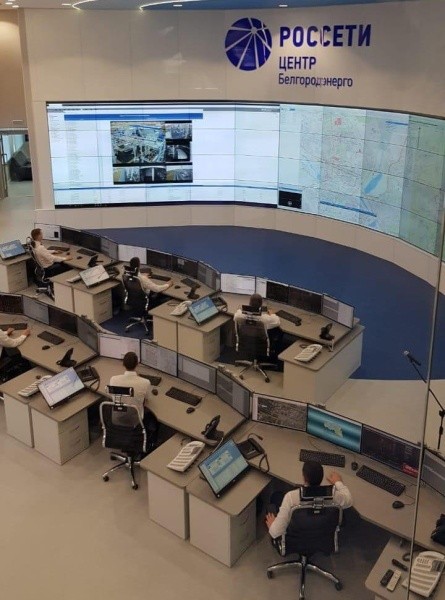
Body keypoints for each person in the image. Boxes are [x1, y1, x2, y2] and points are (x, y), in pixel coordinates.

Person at [265, 461, 352, 539]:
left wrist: (273, 525)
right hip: (322, 536)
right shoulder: (333, 495)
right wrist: (338, 482)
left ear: (304, 478)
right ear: (322, 477)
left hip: (297, 538)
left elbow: (275, 533)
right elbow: (349, 501)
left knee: (276, 496)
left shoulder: (291, 497)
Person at [109, 351, 158, 442]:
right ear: (137, 364)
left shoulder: (113, 379)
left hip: (118, 417)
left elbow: (112, 396)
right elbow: (147, 399)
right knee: (153, 419)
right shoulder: (145, 382)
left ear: (123, 364)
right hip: (136, 420)